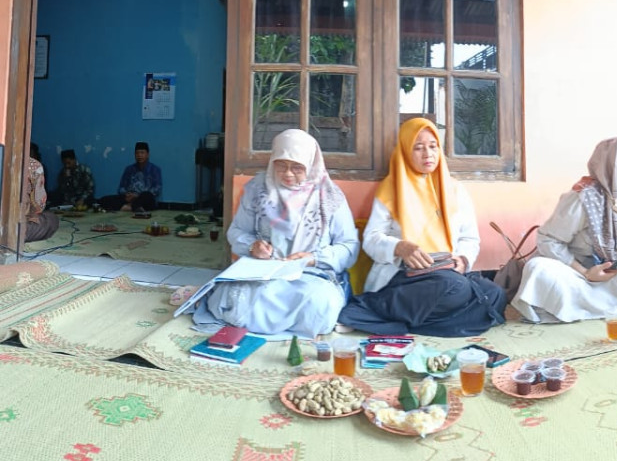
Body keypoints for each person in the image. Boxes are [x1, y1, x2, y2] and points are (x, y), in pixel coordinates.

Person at [337, 118, 506, 336]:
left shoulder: (456, 190)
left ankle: (386, 320)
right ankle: (378, 310)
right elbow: (371, 239)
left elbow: (469, 238)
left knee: (495, 295)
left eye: (433, 146)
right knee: (458, 290)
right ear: (406, 151)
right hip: (404, 277)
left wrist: (463, 260)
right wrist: (400, 247)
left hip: (447, 272)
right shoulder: (391, 189)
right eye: (418, 148)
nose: (428, 154)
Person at [194, 129, 358, 338]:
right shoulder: (257, 189)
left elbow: (349, 246)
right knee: (232, 298)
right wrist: (252, 246)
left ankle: (269, 325)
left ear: (310, 164)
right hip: (264, 271)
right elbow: (237, 231)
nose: (288, 174)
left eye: (297, 167)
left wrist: (313, 258)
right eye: (281, 165)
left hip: (311, 275)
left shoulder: (329, 196)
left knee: (320, 303)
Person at [513, 135, 617, 323]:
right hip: (574, 273)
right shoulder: (584, 197)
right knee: (538, 269)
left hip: (612, 273)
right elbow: (548, 240)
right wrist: (585, 273)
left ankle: (593, 305)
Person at [98, 142, 162, 212]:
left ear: (147, 154)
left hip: (144, 199)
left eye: (142, 153)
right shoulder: (129, 169)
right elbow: (121, 188)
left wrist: (137, 196)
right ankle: (133, 207)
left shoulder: (155, 169)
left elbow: (157, 189)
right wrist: (127, 194)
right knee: (104, 200)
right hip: (130, 198)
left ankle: (129, 207)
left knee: (147, 195)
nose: (139, 155)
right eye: (137, 153)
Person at [24, 146, 59, 242]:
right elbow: (39, 206)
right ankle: (14, 232)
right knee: (51, 219)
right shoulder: (34, 165)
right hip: (13, 222)